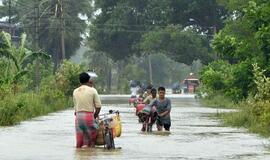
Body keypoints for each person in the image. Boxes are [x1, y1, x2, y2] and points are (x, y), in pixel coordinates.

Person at [73, 72, 102, 148]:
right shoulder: (93, 90)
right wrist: (95, 116)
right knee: (91, 141)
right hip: (89, 116)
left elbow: (75, 110)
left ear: (80, 81)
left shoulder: (75, 91)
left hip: (78, 117)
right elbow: (98, 107)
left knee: (79, 141)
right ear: (89, 80)